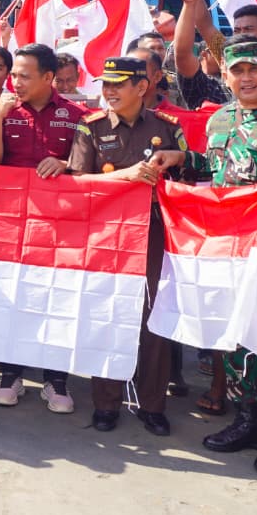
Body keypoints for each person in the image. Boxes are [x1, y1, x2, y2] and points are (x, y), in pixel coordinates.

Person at [151, 38, 257, 476]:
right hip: (230, 248)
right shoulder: (219, 118)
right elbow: (216, 172)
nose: (245, 78)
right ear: (225, 76)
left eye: (254, 69)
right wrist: (182, 158)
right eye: (236, 71)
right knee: (237, 337)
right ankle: (249, 421)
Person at [67, 56, 186, 437]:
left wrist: (179, 157)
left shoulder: (167, 127)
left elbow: (191, 178)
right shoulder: (90, 127)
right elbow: (78, 184)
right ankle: (105, 402)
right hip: (108, 236)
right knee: (108, 314)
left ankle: (152, 404)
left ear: (142, 87)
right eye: (106, 84)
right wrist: (127, 176)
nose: (110, 91)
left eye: (119, 84)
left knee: (154, 318)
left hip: (154, 233)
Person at [0, 44, 83, 413]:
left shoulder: (78, 115)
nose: (15, 82)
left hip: (61, 227)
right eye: (14, 75)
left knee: (57, 298)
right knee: (14, 295)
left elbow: (92, 167)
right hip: (11, 223)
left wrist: (67, 164)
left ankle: (56, 381)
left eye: (24, 75)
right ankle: (10, 375)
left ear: (49, 78)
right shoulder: (3, 111)